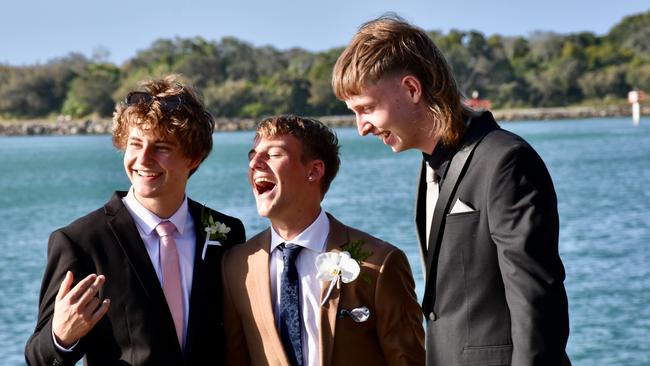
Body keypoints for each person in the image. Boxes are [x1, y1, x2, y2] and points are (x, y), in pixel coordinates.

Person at [332, 15, 571, 366]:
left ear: (412, 89)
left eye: (367, 108)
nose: (362, 127)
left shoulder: (505, 160)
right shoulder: (429, 163)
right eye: (354, 113)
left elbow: (537, 304)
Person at [25, 75, 246, 366]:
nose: (143, 159)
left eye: (161, 147)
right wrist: (62, 337)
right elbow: (38, 359)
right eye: (135, 144)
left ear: (194, 157)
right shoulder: (80, 242)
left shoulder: (227, 234)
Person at [221, 115, 424, 366]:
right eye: (252, 155)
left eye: (273, 154)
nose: (255, 163)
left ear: (314, 170)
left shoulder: (380, 262)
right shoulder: (237, 265)